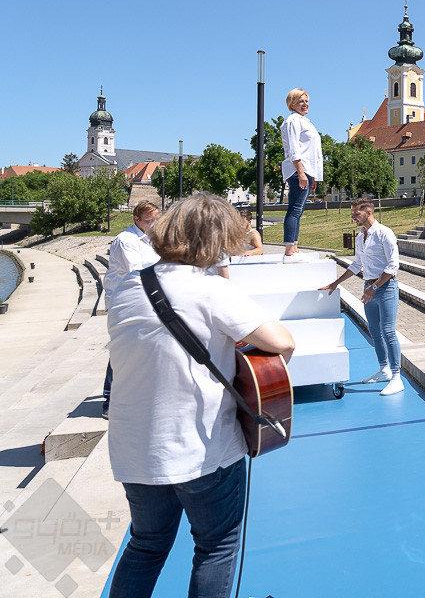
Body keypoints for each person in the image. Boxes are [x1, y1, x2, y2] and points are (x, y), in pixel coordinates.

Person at [106, 193, 295, 598]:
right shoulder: (210, 290)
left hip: (134, 449)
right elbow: (283, 343)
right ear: (214, 240)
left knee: (146, 545)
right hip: (201, 447)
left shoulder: (126, 288)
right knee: (216, 546)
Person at [320, 197, 405, 396]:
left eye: (356, 213)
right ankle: (384, 369)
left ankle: (396, 377)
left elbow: (393, 266)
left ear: (369, 212)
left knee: (388, 331)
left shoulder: (384, 233)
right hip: (370, 288)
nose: (353, 217)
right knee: (374, 331)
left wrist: (374, 287)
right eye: (352, 213)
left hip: (386, 288)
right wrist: (335, 283)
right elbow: (357, 264)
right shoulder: (360, 237)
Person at [101, 200, 161, 420]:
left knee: (142, 348)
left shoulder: (152, 237)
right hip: (123, 301)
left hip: (145, 298)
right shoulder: (126, 240)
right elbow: (137, 272)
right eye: (149, 221)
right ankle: (109, 402)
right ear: (136, 219)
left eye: (157, 220)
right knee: (123, 348)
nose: (154, 225)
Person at [280, 88, 324, 262]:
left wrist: (313, 176)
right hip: (298, 170)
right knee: (294, 209)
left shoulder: (305, 121)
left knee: (298, 211)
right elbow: (294, 149)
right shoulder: (293, 121)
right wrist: (301, 172)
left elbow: (312, 151)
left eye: (306, 101)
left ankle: (294, 248)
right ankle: (289, 251)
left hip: (306, 171)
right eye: (300, 101)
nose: (305, 104)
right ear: (292, 104)